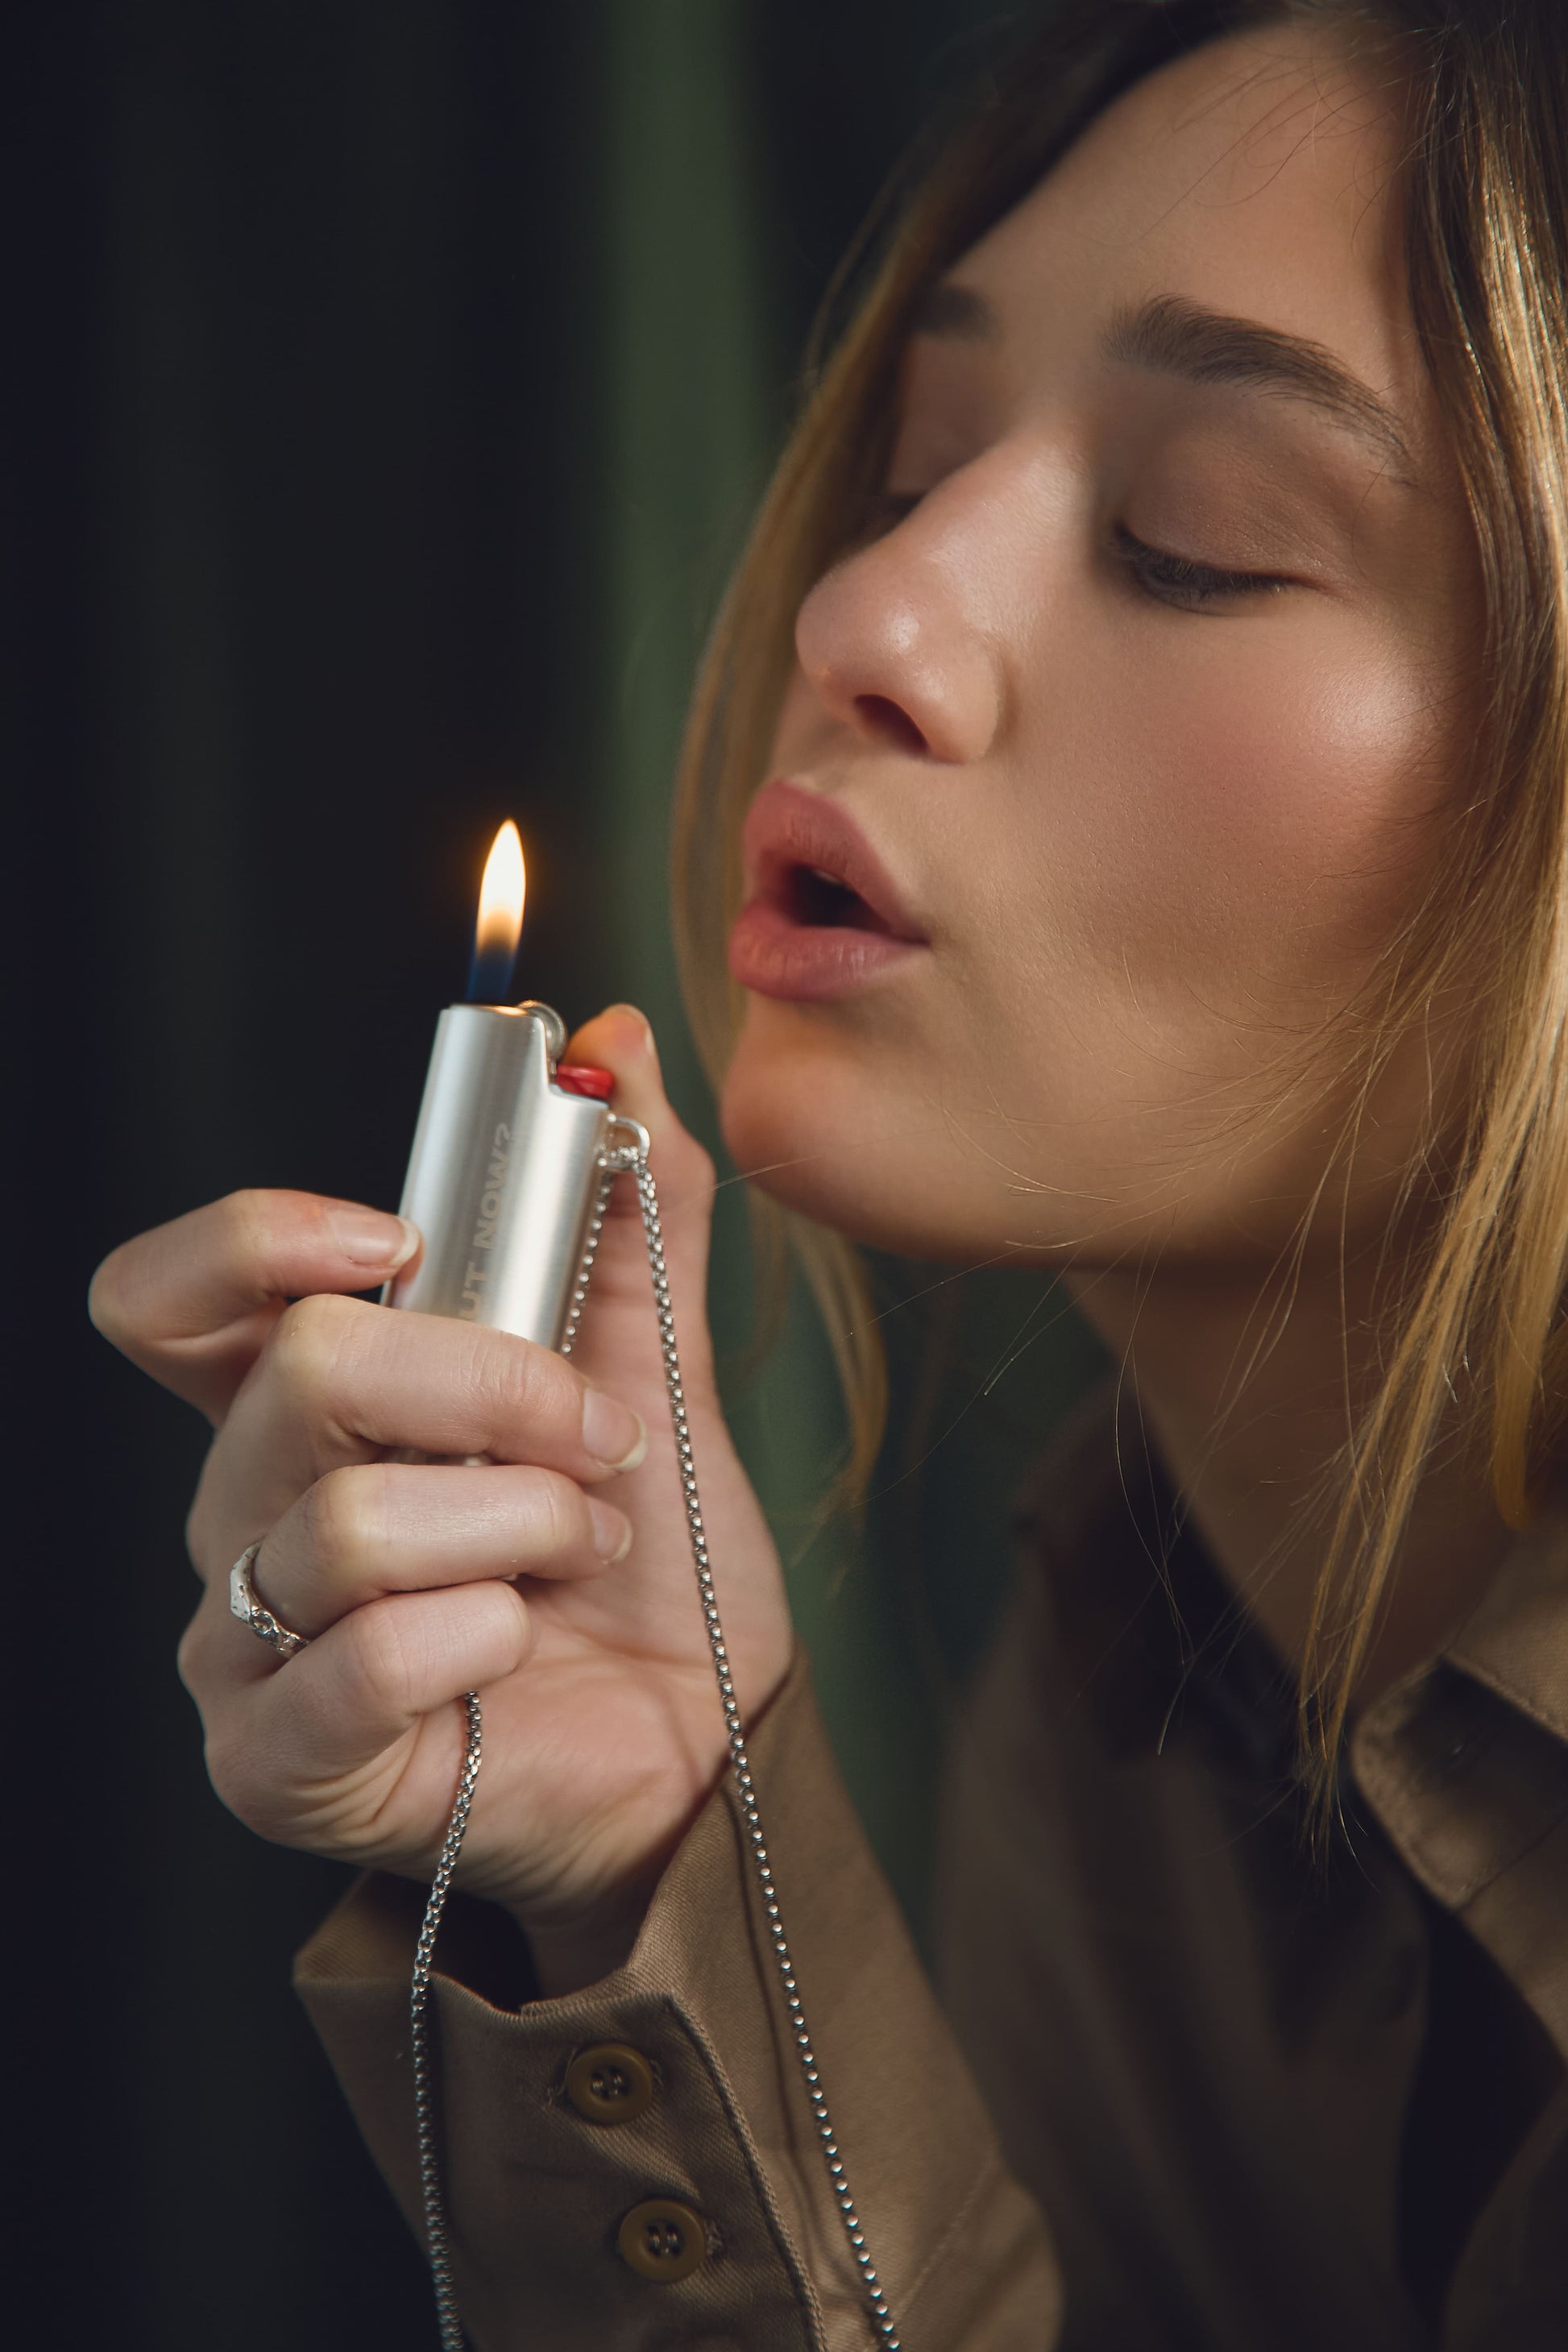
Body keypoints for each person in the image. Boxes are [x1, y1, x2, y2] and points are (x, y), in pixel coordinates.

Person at [88, 0, 1568, 2342]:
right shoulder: (1123, 1735)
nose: (857, 616)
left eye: (1193, 543)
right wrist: (655, 1859)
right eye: (906, 465)